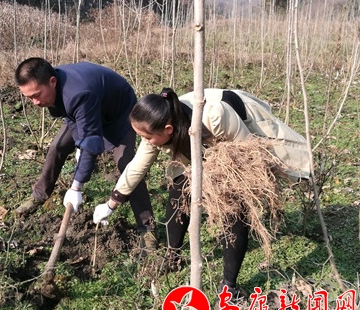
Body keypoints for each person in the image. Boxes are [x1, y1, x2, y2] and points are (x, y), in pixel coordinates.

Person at [92, 87, 311, 297]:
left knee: (234, 208)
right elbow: (137, 166)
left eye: (147, 137)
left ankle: (229, 286)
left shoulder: (215, 116)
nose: (146, 141)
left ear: (168, 130)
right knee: (179, 190)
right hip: (192, 140)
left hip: (237, 135)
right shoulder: (154, 126)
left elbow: (246, 156)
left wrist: (215, 178)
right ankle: (172, 256)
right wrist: (112, 203)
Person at [13, 57, 157, 253]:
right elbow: (75, 120)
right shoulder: (53, 87)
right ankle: (39, 195)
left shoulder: (78, 93)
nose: (35, 102)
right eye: (29, 98)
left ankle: (147, 228)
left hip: (118, 113)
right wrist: (79, 143)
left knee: (126, 165)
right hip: (88, 108)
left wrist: (76, 186)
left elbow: (91, 140)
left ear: (52, 82)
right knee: (57, 147)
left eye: (37, 95)